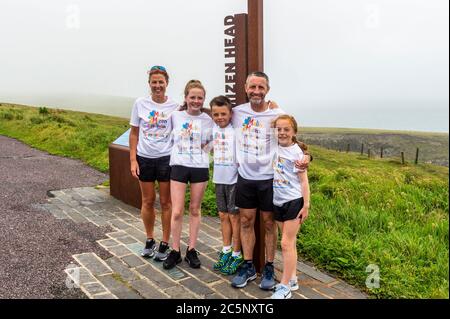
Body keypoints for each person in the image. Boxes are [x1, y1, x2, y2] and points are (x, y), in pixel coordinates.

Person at [230, 71, 311, 290]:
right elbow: (213, 114)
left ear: (267, 90)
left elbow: (291, 136)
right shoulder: (236, 112)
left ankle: (268, 267)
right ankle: (247, 266)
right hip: (245, 178)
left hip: (270, 180)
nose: (256, 91)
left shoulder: (277, 112)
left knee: (268, 224)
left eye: (261, 87)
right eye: (252, 87)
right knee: (246, 221)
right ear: (246, 88)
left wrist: (306, 156)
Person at [163, 80, 214, 270]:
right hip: (179, 166)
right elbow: (167, 137)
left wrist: (204, 150)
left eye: (200, 98)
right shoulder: (175, 116)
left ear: (203, 99)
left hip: (199, 167)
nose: (196, 101)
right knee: (177, 211)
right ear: (186, 98)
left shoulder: (208, 120)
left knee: (194, 209)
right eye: (192, 97)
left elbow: (212, 141)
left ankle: (191, 249)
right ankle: (175, 251)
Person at [129, 65, 178, 262]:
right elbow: (134, 133)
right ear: (149, 83)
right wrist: (133, 159)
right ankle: (150, 239)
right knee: (148, 201)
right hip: (145, 157)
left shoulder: (174, 105)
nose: (158, 86)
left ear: (167, 83)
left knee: (166, 202)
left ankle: (165, 242)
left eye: (161, 82)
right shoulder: (140, 103)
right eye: (154, 82)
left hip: (166, 158)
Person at [270, 114, 310, 299]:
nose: (282, 132)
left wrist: (306, 205)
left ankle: (284, 286)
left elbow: (303, 182)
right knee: (289, 243)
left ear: (294, 132)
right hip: (277, 200)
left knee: (286, 243)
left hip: (294, 201)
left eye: (286, 129)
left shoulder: (297, 154)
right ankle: (292, 278)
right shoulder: (273, 147)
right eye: (279, 129)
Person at [209, 95, 244, 276]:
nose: (220, 117)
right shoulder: (212, 129)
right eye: (216, 114)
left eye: (223, 113)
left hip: (234, 180)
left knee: (234, 217)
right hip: (218, 179)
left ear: (230, 114)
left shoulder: (236, 131)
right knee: (223, 215)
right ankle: (226, 250)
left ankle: (237, 254)